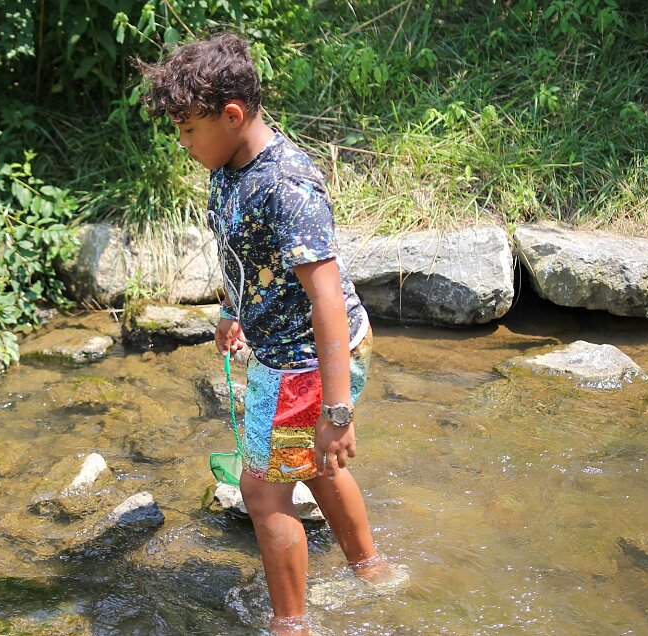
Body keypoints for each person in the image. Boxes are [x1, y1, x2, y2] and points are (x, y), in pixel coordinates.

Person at [141, 33, 405, 634]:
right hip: (283, 354)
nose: (183, 145)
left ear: (232, 116)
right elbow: (241, 252)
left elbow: (326, 297)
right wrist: (233, 310)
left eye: (188, 130)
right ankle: (372, 569)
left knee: (263, 496)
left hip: (306, 362)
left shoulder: (286, 185)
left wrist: (336, 409)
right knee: (317, 467)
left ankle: (291, 626)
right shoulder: (228, 167)